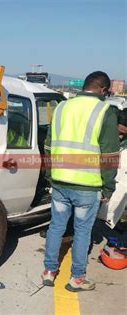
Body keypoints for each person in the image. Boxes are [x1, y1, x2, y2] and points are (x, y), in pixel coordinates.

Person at [42, 71, 120, 292]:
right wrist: (108, 186)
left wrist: (50, 175)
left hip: (60, 181)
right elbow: (109, 155)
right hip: (88, 185)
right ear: (103, 90)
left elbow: (48, 146)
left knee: (56, 227)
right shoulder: (105, 111)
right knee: (82, 232)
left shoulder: (61, 107)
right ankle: (76, 279)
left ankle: (49, 271)